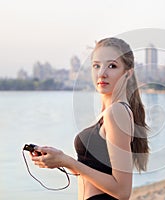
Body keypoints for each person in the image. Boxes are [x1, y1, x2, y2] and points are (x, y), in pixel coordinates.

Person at [31, 37, 149, 200]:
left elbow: (122, 191)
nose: (102, 73)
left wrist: (69, 162)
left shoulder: (116, 112)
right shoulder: (108, 112)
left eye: (112, 66)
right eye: (96, 66)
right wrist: (60, 159)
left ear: (127, 74)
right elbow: (96, 171)